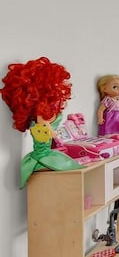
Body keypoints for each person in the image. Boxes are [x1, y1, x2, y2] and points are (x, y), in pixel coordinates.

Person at [0, 57, 83, 188]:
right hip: (42, 155)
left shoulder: (45, 109)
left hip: (46, 152)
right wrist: (54, 133)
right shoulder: (41, 114)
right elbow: (44, 125)